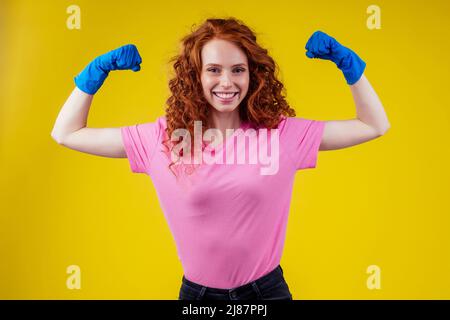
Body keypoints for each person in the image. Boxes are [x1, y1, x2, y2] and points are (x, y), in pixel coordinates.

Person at [51, 18, 390, 300]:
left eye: (237, 70)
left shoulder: (282, 134)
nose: (226, 82)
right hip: (199, 298)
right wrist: (93, 76)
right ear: (194, 76)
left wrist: (351, 68)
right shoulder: (161, 138)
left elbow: (374, 125)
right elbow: (66, 133)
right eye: (213, 69)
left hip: (266, 293)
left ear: (252, 75)